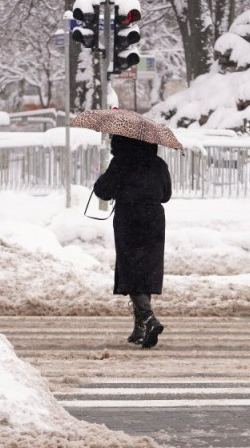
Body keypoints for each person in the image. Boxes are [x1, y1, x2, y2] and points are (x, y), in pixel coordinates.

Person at [93, 135, 172, 349]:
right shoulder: (158, 164)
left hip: (129, 218)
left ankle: (148, 318)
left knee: (130, 269)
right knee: (146, 269)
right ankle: (140, 329)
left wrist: (105, 179)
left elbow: (102, 190)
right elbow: (166, 195)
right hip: (154, 219)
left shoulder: (121, 162)